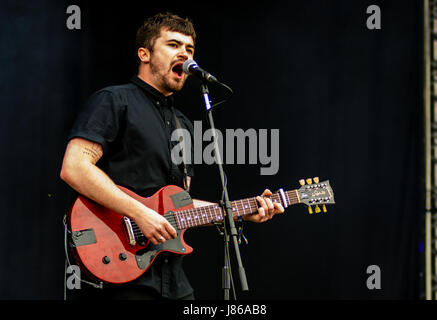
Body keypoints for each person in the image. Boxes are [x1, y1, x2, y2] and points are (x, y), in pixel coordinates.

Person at [60, 12, 284, 300]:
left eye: (189, 49)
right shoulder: (114, 100)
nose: (184, 54)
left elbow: (180, 205)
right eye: (173, 45)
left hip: (171, 280)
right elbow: (74, 167)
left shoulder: (185, 125)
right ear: (144, 53)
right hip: (120, 271)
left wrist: (237, 212)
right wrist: (139, 213)